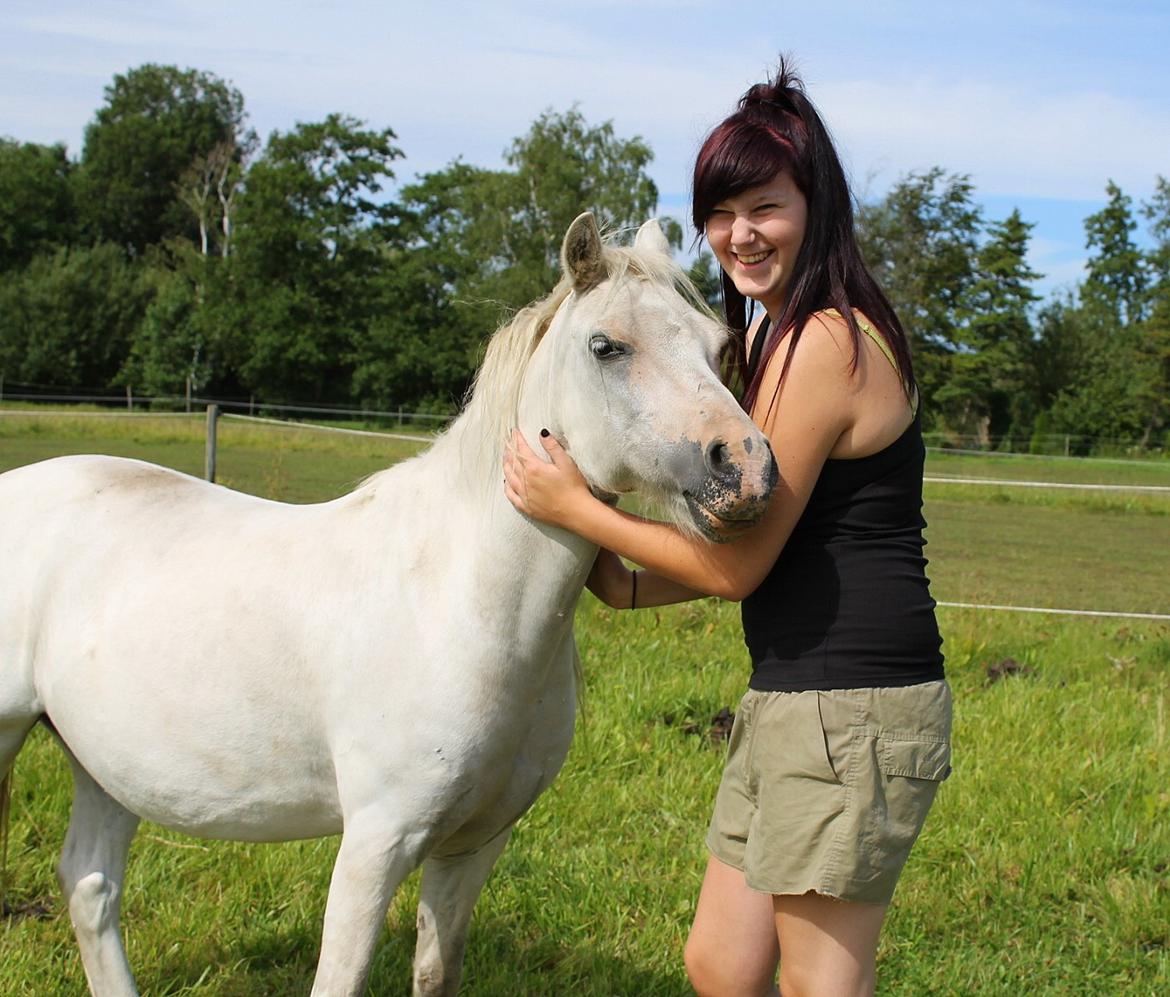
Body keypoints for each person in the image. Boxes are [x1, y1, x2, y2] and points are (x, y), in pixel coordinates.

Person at [502, 58, 951, 997]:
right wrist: (617, 572)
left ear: (814, 204)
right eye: (720, 212)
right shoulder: (776, 336)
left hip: (853, 706)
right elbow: (776, 546)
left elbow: (740, 567)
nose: (737, 236)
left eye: (764, 207)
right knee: (720, 961)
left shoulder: (829, 341)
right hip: (795, 696)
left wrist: (578, 511)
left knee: (820, 982)